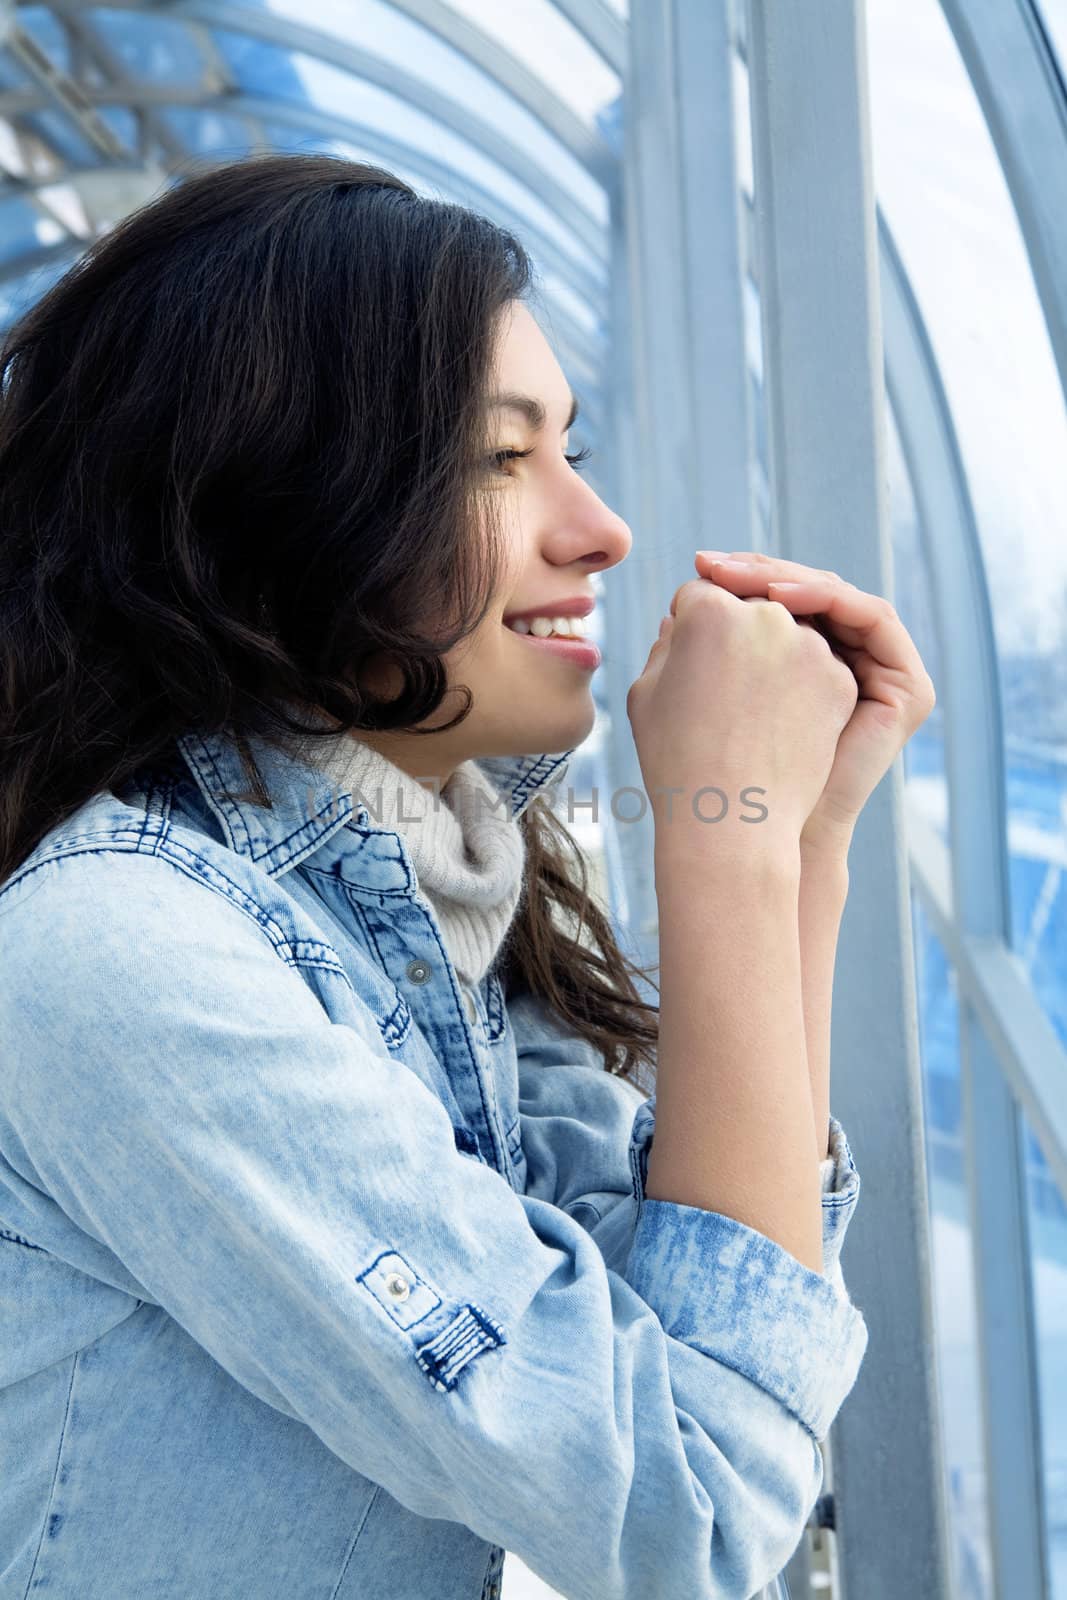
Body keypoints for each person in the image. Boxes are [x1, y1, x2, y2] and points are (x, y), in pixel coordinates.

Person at [0, 153, 935, 1600]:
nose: (600, 528)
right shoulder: (124, 953)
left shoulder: (419, 887)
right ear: (283, 497)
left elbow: (668, 1295)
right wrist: (721, 832)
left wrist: (801, 838)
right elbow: (687, 1511)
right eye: (505, 459)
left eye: (573, 443)